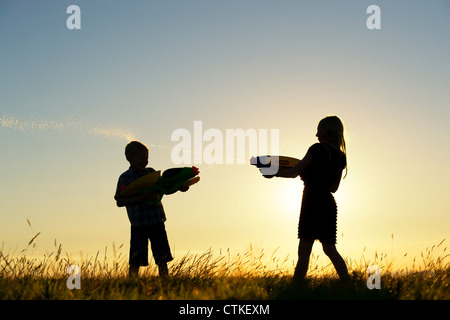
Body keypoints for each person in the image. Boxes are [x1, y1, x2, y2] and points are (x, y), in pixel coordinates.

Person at [274, 116, 350, 282]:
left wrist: (274, 173)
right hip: (328, 204)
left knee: (304, 252)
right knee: (330, 249)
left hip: (311, 202)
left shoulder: (316, 149)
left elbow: (294, 172)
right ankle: (349, 285)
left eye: (319, 130)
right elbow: (333, 188)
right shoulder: (341, 157)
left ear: (326, 131)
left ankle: (296, 290)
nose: (316, 135)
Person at [115, 141, 188, 278]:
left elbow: (164, 189)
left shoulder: (152, 173)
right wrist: (140, 198)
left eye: (147, 157)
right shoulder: (125, 177)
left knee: (162, 258)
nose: (145, 160)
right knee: (136, 258)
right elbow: (119, 201)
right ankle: (131, 285)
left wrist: (179, 187)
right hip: (139, 225)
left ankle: (165, 284)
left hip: (156, 221)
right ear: (130, 158)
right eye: (141, 157)